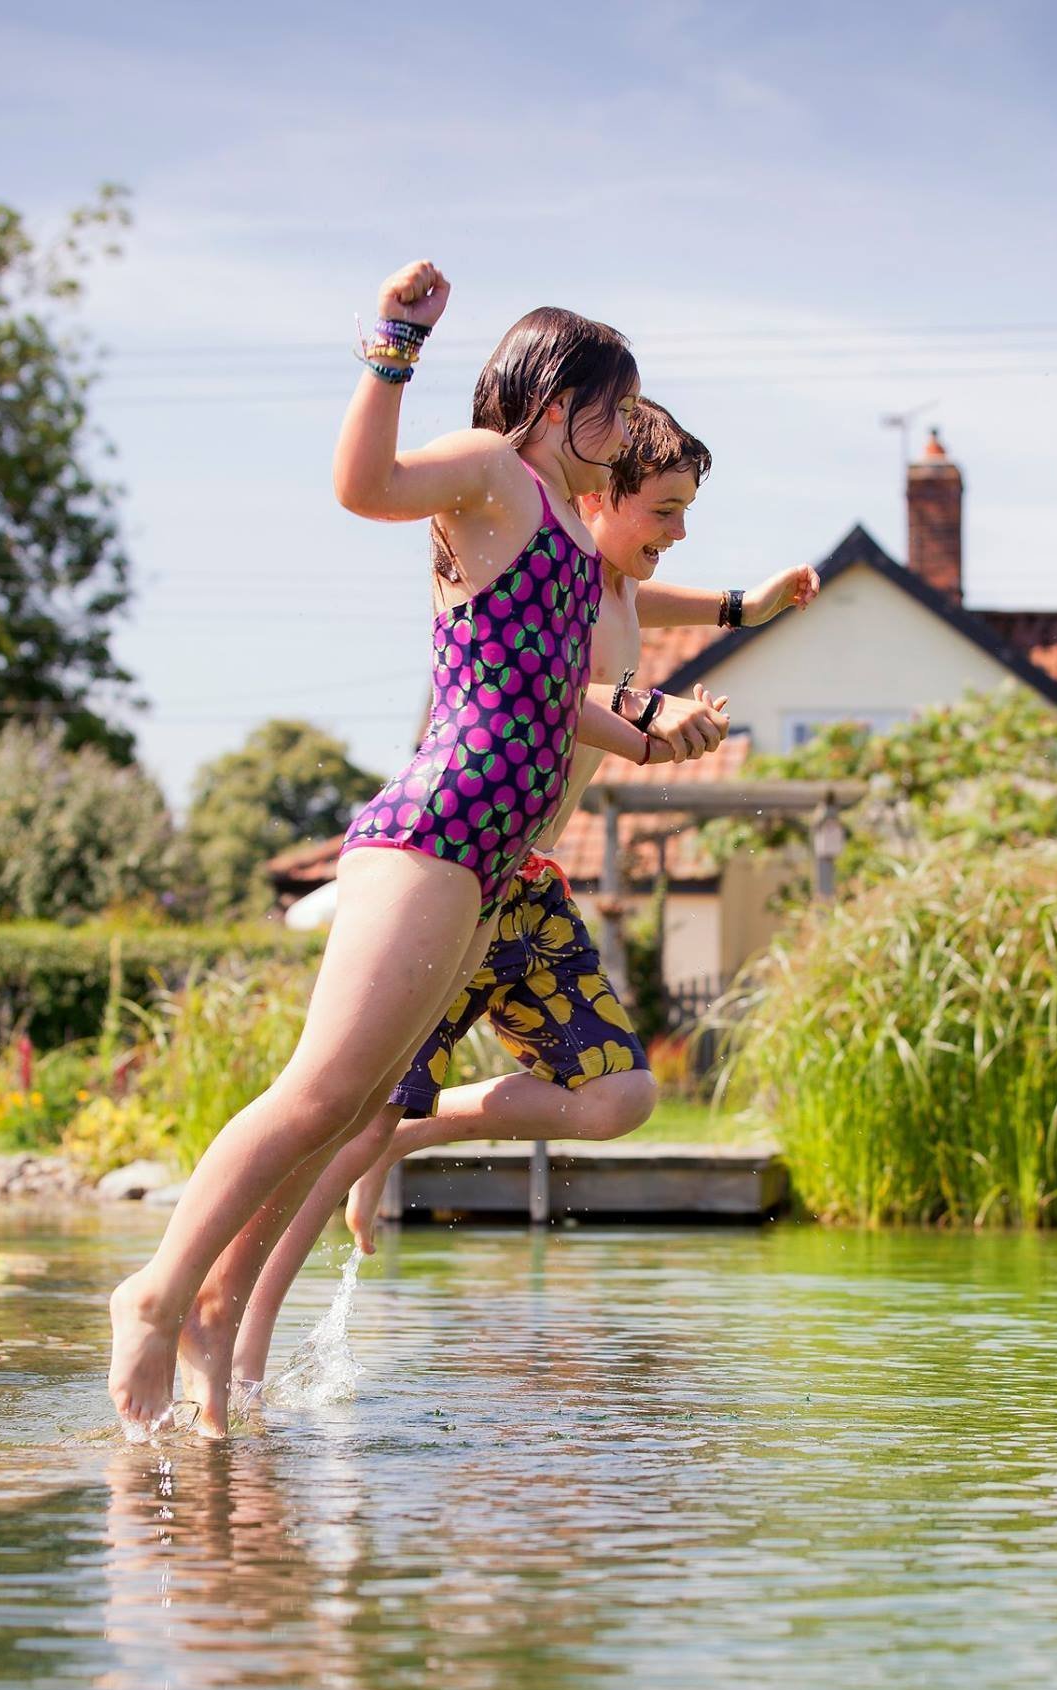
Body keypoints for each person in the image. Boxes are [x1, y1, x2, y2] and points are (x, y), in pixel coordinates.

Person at [109, 260, 668, 1437]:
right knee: (319, 1087)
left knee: (351, 1100)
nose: (624, 435)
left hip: (482, 855)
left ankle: (215, 1314)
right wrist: (394, 341)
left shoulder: (570, 535)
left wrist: (660, 726)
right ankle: (154, 1295)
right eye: (614, 409)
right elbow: (363, 485)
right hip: (434, 828)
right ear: (555, 403)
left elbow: (560, 697)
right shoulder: (495, 473)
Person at [228, 398, 820, 1401]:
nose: (676, 531)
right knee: (349, 1114)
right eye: (663, 511)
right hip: (459, 870)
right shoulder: (554, 582)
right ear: (600, 497)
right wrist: (643, 714)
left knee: (619, 1094)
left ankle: (419, 1128)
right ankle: (243, 1346)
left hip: (530, 883)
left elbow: (650, 606)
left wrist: (741, 608)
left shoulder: (621, 589)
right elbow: (556, 685)